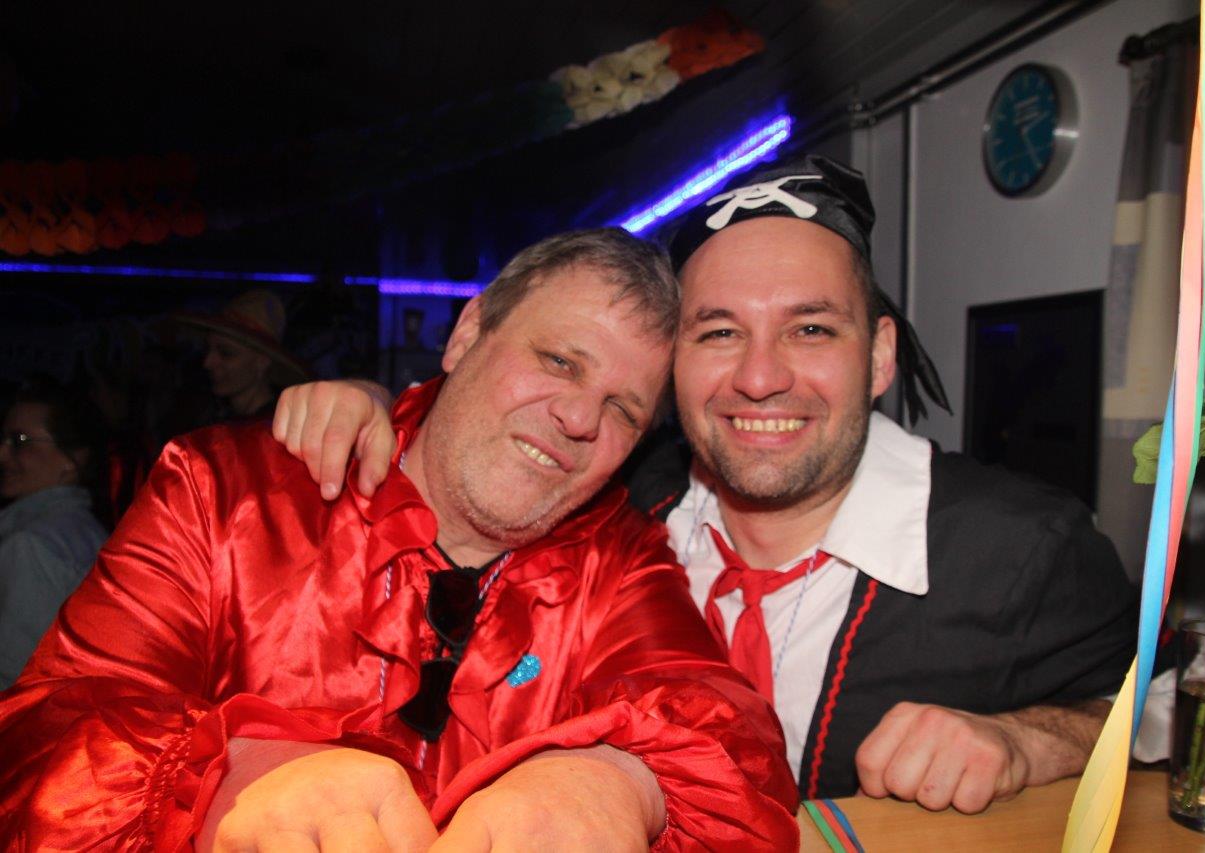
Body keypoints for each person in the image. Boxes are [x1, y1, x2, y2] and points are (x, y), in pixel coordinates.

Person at [282, 155, 1138, 815]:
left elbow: (1168, 715)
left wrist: (1031, 740)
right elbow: (489, 444)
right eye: (719, 332)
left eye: (810, 328)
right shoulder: (615, 510)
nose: (760, 379)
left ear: (879, 355)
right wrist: (374, 407)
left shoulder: (1024, 547)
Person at [0, 229, 798, 850]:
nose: (580, 418)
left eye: (623, 409)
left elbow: (727, 730)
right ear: (467, 333)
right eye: (559, 360)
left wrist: (623, 780)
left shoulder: (618, 558)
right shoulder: (225, 489)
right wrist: (220, 780)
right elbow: (51, 729)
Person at [0, 379, 108, 688]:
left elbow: (15, 674)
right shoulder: (86, 531)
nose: (2, 455)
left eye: (20, 441)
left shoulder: (33, 544)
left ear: (72, 459)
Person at [175, 288, 312, 420]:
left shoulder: (275, 428)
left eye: (226, 353)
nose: (208, 363)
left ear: (262, 362)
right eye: (207, 349)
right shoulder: (210, 418)